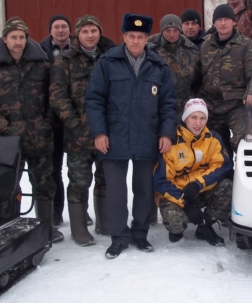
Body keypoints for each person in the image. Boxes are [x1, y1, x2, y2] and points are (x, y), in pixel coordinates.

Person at [85, 13, 177, 259]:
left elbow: (168, 104)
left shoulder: (159, 66)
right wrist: (99, 132)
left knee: (143, 189)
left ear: (148, 38)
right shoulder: (107, 63)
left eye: (141, 37)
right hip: (114, 137)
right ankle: (118, 237)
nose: (135, 41)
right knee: (116, 190)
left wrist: (167, 133)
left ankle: (140, 234)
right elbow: (94, 100)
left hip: (147, 136)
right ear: (123, 36)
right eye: (131, 36)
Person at [0, 17, 64, 243]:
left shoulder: (41, 63)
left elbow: (54, 94)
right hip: (8, 140)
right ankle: (9, 230)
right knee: (8, 186)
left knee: (44, 183)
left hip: (39, 136)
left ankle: (46, 227)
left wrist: (48, 122)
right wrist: (1, 125)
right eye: (13, 37)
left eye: (22, 37)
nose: (18, 42)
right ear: (5, 39)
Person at [50, 15, 115, 246]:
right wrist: (75, 124)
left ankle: (104, 222)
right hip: (78, 135)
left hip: (107, 133)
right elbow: (58, 96)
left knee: (105, 178)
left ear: (99, 33)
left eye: (94, 31)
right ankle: (78, 229)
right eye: (85, 31)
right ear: (76, 34)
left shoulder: (111, 58)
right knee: (79, 180)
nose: (90, 35)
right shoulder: (64, 61)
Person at [153, 98, 233, 246]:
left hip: (199, 189)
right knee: (175, 220)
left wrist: (198, 184)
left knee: (228, 187)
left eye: (202, 118)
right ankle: (177, 230)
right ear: (185, 118)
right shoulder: (170, 141)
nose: (198, 123)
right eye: (194, 117)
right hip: (177, 193)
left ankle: (205, 226)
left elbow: (223, 166)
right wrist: (186, 205)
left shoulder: (213, 138)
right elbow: (161, 181)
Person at [199, 4, 252, 157]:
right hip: (211, 105)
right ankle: (222, 178)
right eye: (219, 20)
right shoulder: (206, 46)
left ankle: (251, 172)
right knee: (211, 144)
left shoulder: (246, 45)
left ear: (234, 22)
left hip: (237, 104)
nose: (222, 23)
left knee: (245, 138)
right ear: (214, 23)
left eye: (226, 19)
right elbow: (198, 74)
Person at [40, 14, 74, 227]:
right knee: (54, 169)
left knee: (78, 170)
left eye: (64, 26)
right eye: (56, 27)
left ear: (70, 30)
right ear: (50, 31)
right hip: (51, 120)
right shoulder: (41, 52)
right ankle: (56, 212)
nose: (61, 30)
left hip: (74, 118)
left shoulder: (78, 50)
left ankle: (80, 212)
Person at [149, 14, 201, 116]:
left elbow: (198, 79)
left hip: (185, 107)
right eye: (168, 31)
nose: (172, 34)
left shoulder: (190, 49)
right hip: (158, 105)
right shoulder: (150, 50)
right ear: (162, 31)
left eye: (175, 30)